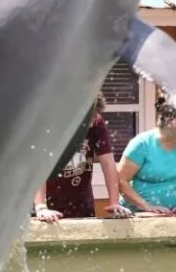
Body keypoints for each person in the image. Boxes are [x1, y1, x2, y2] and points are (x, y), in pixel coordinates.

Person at [34, 93, 132, 222]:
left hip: (81, 203)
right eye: (88, 120)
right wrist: (41, 206)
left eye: (93, 118)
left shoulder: (97, 122)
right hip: (46, 205)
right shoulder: (49, 125)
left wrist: (114, 201)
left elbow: (108, 163)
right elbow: (37, 167)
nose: (91, 123)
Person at [117, 99, 176, 215]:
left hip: (174, 216)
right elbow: (120, 180)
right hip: (137, 215)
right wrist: (146, 206)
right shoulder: (142, 144)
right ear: (170, 121)